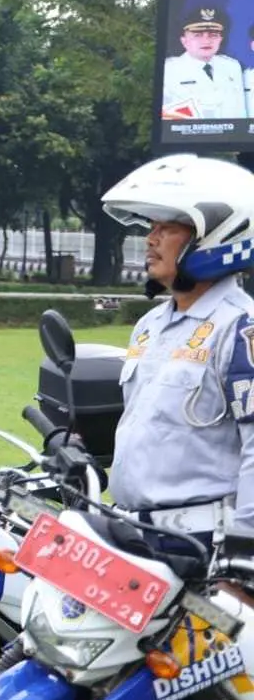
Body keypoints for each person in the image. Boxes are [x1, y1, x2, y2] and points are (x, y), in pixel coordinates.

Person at [103, 154, 254, 540]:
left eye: (167, 228)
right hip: (133, 533)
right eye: (151, 227)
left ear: (217, 236)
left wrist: (244, 555)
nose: (150, 240)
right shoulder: (149, 326)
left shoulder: (241, 329)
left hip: (202, 545)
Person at [160, 7, 247, 120]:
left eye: (213, 35)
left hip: (235, 136)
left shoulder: (232, 66)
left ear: (220, 39)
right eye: (198, 35)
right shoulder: (169, 69)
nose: (206, 41)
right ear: (184, 40)